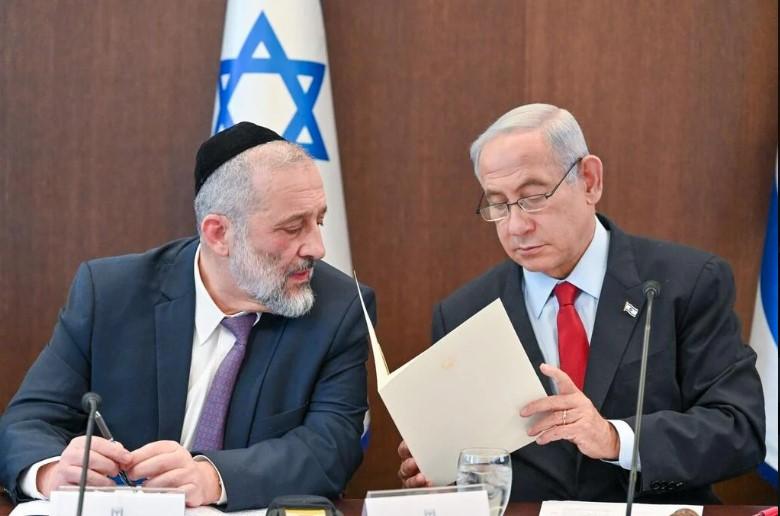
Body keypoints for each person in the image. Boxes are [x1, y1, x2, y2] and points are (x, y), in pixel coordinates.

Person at [397, 104, 765, 503]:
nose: (516, 226)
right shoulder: (464, 313)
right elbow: (472, 464)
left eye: (533, 197)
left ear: (589, 181)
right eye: (498, 204)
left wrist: (615, 438)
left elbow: (739, 430)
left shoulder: (687, 283)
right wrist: (441, 472)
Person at [0, 122, 376, 511]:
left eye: (319, 221)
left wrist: (212, 478)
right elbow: (25, 422)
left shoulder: (338, 309)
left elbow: (331, 448)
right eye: (293, 228)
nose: (317, 247)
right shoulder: (110, 294)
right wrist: (51, 472)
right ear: (218, 234)